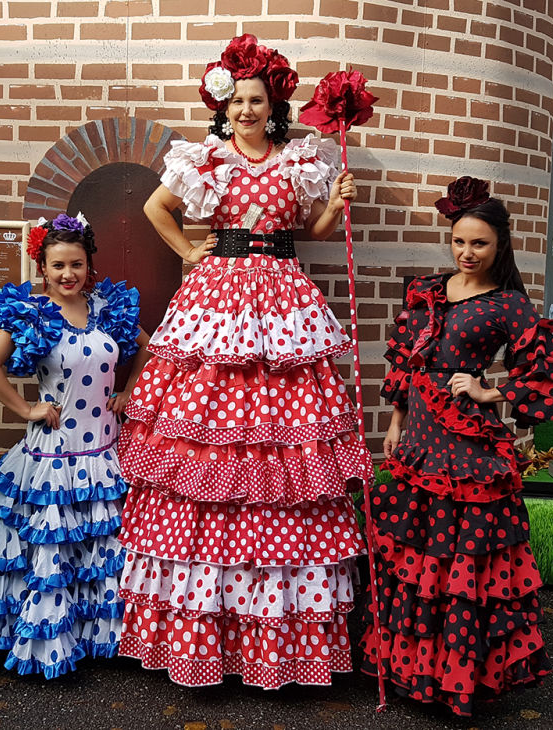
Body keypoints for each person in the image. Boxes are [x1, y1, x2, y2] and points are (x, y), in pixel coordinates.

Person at [117, 33, 373, 688]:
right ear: (225, 107)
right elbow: (156, 206)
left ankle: (276, 631)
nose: (248, 111)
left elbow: (311, 233)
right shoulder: (205, 159)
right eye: (240, 102)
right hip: (220, 294)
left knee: (286, 429)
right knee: (206, 426)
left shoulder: (296, 162)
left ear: (273, 106)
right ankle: (206, 621)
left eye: (258, 101)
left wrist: (337, 202)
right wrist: (186, 250)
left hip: (283, 295)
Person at [359, 176, 553, 716]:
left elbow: (550, 380)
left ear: (500, 245)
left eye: (479, 243)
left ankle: (460, 678)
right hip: (420, 438)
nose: (467, 252)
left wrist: (490, 388)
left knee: (463, 561)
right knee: (418, 554)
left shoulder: (509, 306)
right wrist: (396, 418)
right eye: (459, 241)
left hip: (468, 444)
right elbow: (405, 360)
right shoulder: (428, 290)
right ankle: (414, 670)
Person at [0, 214, 150, 678]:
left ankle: (97, 639)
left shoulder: (109, 308)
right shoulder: (33, 311)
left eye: (77, 264)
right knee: (53, 546)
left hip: (104, 451)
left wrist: (128, 390)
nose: (68, 274)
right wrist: (25, 409)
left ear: (89, 265)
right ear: (42, 268)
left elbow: (149, 347)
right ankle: (47, 641)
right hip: (53, 455)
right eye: (57, 266)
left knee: (96, 548)